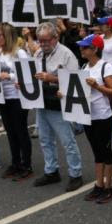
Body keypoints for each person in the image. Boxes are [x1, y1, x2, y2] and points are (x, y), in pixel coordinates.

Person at [32, 22, 83, 191]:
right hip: (42, 102)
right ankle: (51, 171)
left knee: (67, 141)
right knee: (45, 140)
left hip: (59, 104)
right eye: (40, 40)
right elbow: (35, 76)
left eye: (46, 40)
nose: (43, 44)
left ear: (56, 37)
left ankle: (76, 173)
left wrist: (52, 78)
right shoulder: (38, 53)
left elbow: (76, 80)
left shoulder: (66, 54)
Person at [77, 34, 112, 203]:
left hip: (103, 116)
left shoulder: (105, 67)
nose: (82, 50)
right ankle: (99, 185)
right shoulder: (83, 67)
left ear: (95, 49)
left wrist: (96, 86)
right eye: (82, 47)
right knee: (96, 151)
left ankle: (108, 187)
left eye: (85, 47)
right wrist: (63, 94)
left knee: (105, 151)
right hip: (88, 115)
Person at [0, 23, 33, 180]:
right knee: (10, 132)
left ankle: (26, 164)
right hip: (4, 97)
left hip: (18, 97)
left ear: (7, 36)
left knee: (20, 131)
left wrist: (9, 76)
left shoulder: (20, 53)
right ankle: (15, 162)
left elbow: (29, 73)